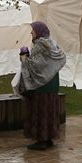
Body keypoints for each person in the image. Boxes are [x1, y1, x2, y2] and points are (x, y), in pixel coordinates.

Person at [16, 20, 66, 151]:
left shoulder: (40, 45)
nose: (31, 32)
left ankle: (41, 140)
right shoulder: (52, 43)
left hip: (42, 85)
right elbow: (51, 62)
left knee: (40, 111)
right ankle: (48, 138)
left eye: (33, 30)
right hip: (52, 84)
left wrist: (24, 58)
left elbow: (36, 66)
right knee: (50, 111)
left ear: (38, 31)